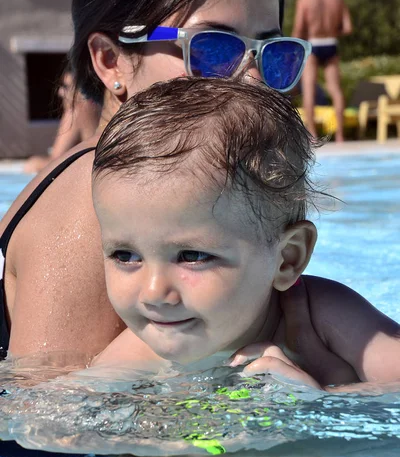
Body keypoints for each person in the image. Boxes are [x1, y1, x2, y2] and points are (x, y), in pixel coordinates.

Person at [0, 0, 313, 362]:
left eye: (274, 54)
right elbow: (51, 415)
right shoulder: (104, 194)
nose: (252, 80)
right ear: (111, 60)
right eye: (212, 49)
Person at [91, 78, 400, 390]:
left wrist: (323, 401)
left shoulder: (325, 317)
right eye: (125, 255)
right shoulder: (135, 356)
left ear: (287, 258)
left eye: (192, 256)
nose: (153, 293)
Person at [292, 0, 352, 142]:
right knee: (335, 90)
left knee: (309, 90)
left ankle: (312, 135)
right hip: (331, 43)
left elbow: (298, 28)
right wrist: (333, 31)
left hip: (313, 44)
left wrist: (295, 49)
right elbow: (348, 28)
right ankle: (340, 135)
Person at [23, 72, 100, 174]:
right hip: (95, 169)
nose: (60, 92)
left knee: (32, 164)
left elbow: (54, 161)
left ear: (81, 89)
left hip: (84, 172)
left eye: (66, 87)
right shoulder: (99, 107)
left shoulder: (76, 112)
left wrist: (33, 163)